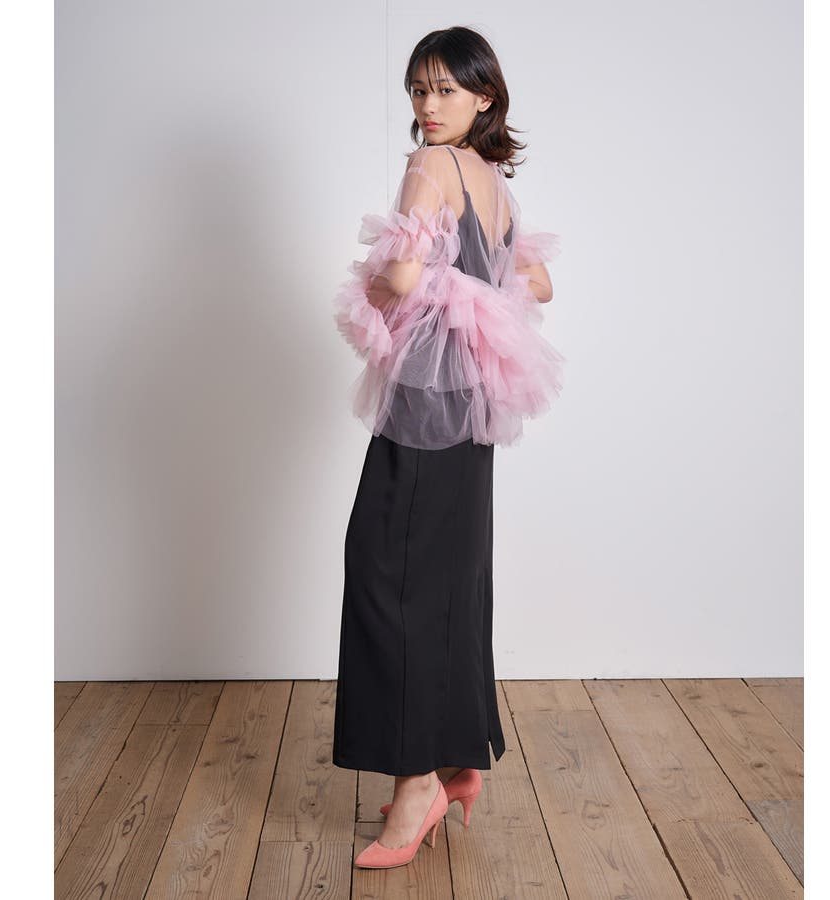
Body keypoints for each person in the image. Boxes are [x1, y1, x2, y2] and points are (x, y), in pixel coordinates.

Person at [331, 26, 565, 869]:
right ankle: (459, 756)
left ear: (483, 96)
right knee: (449, 578)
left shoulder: (432, 165)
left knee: (390, 574)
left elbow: (398, 278)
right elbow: (536, 281)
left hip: (429, 401)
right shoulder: (493, 178)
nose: (428, 106)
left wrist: (377, 279)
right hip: (473, 400)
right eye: (419, 90)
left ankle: (416, 787)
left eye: (445, 90)